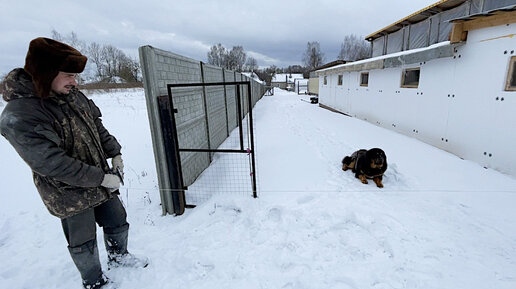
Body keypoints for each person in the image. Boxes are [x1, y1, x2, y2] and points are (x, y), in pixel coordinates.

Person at [0, 37, 147, 289]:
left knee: (117, 219)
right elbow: (52, 164)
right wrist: (102, 178)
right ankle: (94, 281)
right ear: (46, 73)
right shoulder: (19, 116)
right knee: (83, 238)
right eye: (68, 74)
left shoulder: (72, 95)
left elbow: (96, 126)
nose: (74, 82)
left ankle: (119, 257)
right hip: (67, 192)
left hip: (100, 177)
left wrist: (116, 153)